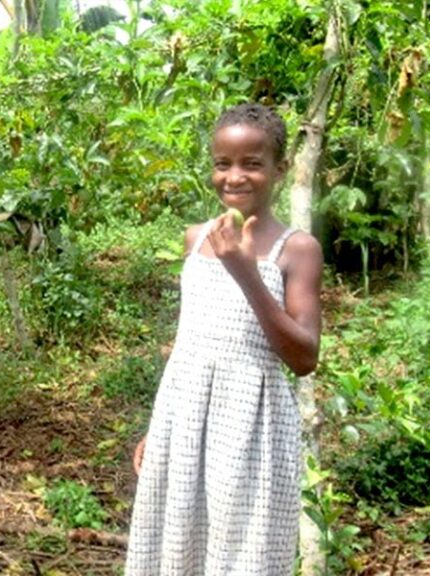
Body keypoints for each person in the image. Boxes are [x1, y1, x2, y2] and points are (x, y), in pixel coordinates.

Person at [125, 103, 323, 575]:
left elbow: (304, 358)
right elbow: (190, 339)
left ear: (280, 168)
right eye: (222, 163)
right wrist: (161, 426)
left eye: (252, 164)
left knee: (244, 556)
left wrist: (246, 272)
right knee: (175, 549)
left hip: (253, 427)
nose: (234, 177)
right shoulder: (196, 238)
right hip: (186, 417)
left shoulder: (297, 249)